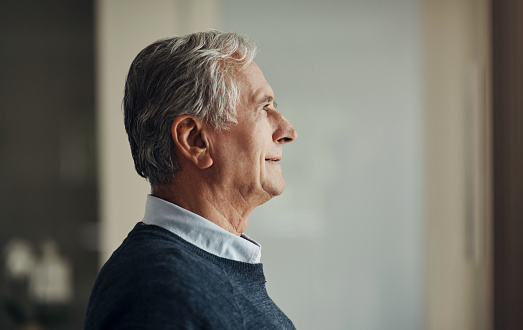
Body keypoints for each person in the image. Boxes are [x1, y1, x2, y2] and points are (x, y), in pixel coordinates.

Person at [83, 30, 297, 329]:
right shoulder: (157, 290)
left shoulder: (190, 272)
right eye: (263, 108)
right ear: (195, 140)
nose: (288, 131)